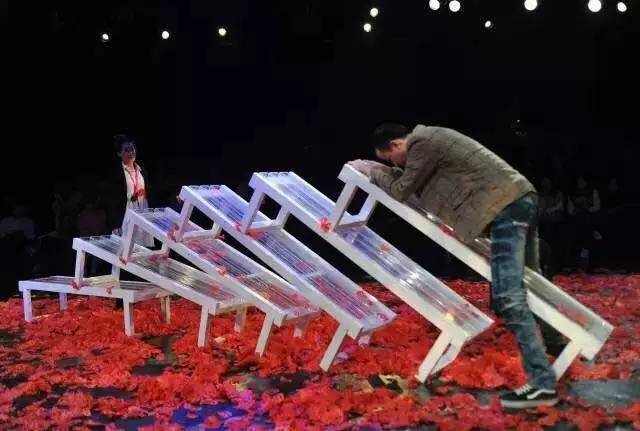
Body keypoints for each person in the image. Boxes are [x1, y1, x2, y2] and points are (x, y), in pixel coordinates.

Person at [349, 124, 558, 409]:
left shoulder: (421, 144)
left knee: (509, 297)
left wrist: (373, 172)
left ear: (396, 145)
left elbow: (401, 190)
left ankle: (542, 384)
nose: (394, 165)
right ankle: (555, 342)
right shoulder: (431, 139)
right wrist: (382, 169)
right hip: (518, 198)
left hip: (504, 207)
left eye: (389, 159)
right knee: (533, 284)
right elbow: (415, 183)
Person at [106, 134, 154, 247]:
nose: (131, 152)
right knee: (123, 251)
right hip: (125, 217)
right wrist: (116, 224)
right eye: (126, 150)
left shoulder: (141, 170)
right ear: (119, 154)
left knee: (142, 251)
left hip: (142, 214)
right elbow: (112, 201)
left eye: (132, 149)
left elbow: (149, 191)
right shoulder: (116, 173)